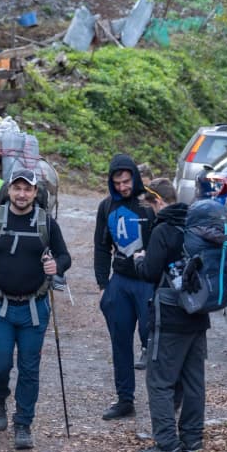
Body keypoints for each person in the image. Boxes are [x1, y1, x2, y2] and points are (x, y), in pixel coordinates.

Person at [0, 167, 71, 450]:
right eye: (17, 188)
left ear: (35, 193)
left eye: (28, 189)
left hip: (34, 308)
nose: (22, 194)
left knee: (29, 368)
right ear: (9, 190)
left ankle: (23, 423)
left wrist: (56, 266)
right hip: (0, 306)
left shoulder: (47, 223)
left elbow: (64, 256)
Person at [132, 177, 206, 452]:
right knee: (193, 380)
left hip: (171, 312)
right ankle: (192, 439)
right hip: (199, 311)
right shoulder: (195, 224)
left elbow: (151, 272)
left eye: (149, 205)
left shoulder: (163, 229)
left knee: (159, 380)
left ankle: (167, 444)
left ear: (158, 201)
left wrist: (140, 259)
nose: (149, 211)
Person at [93, 154, 156, 421]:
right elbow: (100, 245)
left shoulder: (149, 205)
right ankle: (124, 399)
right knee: (120, 342)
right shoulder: (106, 206)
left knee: (153, 340)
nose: (122, 187)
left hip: (148, 282)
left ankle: (163, 397)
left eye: (126, 181)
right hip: (120, 281)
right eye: (117, 182)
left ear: (135, 177)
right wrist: (102, 283)